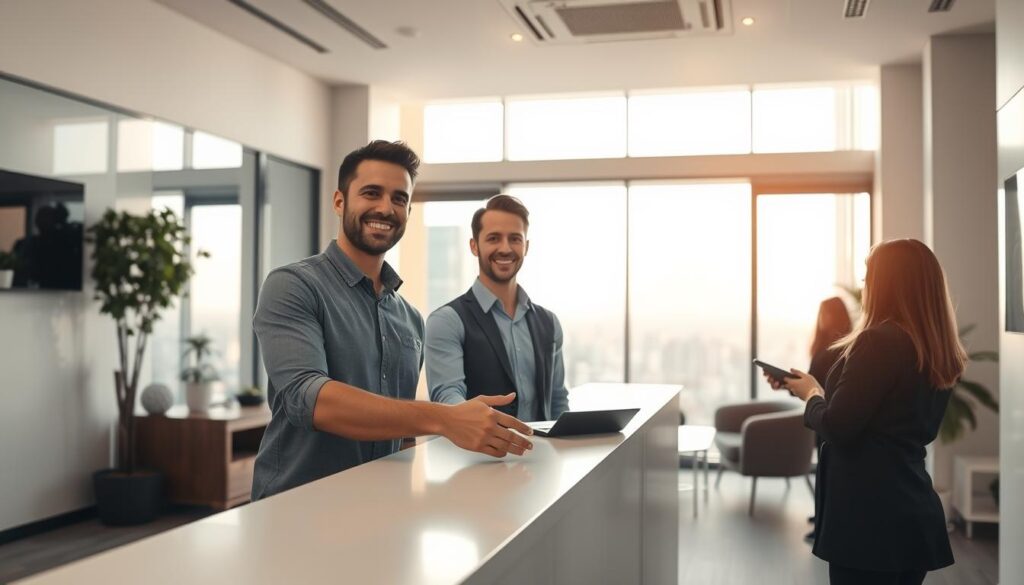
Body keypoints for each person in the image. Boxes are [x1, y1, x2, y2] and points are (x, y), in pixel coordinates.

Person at [251, 141, 533, 501]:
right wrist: (446, 418)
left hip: (384, 512)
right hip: (296, 508)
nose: (386, 208)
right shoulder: (293, 286)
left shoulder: (410, 319)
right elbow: (312, 400)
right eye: (372, 193)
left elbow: (402, 432)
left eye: (399, 199)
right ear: (340, 201)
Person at [766, 238, 963, 585]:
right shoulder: (937, 349)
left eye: (869, 276)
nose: (864, 285)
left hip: (869, 521)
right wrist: (811, 390)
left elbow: (838, 426)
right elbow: (879, 416)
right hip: (910, 511)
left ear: (887, 284)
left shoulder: (877, 341)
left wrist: (812, 394)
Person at [425, 195, 569, 422]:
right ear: (474, 246)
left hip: (541, 456)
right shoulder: (446, 321)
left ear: (526, 246)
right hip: (473, 456)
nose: (505, 248)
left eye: (515, 239)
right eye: (493, 238)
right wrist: (470, 414)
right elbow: (447, 397)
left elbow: (558, 400)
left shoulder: (549, 322)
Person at [804, 296, 853, 541]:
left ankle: (822, 521)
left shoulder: (842, 349)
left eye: (826, 314)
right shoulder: (825, 346)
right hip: (820, 414)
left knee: (827, 473)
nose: (822, 319)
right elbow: (815, 382)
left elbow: (823, 387)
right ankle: (820, 515)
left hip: (829, 416)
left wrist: (810, 391)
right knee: (824, 471)